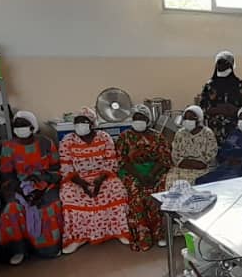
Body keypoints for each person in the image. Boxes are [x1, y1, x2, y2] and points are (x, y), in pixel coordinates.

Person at [58, 107, 130, 254]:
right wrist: (83, 185)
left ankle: (118, 230)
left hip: (103, 175)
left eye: (83, 122)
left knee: (116, 189)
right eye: (76, 122)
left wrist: (99, 181)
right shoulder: (67, 141)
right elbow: (66, 167)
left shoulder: (104, 138)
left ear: (92, 123)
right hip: (77, 178)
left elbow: (111, 163)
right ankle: (78, 237)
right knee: (69, 195)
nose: (80, 125)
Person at [0, 111, 61, 265]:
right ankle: (19, 250)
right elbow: (7, 174)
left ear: (33, 127)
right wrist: (22, 192)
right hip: (20, 186)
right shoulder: (8, 147)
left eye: (24, 126)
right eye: (17, 126)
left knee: (48, 208)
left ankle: (48, 249)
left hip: (46, 184)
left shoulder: (46, 143)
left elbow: (56, 168)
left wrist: (42, 186)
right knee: (12, 210)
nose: (20, 129)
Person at [116, 104, 172, 251]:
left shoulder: (157, 136)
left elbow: (164, 159)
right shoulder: (124, 137)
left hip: (154, 171)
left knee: (158, 193)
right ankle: (143, 236)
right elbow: (122, 161)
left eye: (142, 118)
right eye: (136, 118)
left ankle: (159, 234)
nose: (138, 121)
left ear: (148, 120)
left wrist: (152, 175)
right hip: (133, 172)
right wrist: (140, 175)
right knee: (135, 192)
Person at [196, 105, 242, 184]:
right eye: (240, 118)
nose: (241, 121)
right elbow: (224, 150)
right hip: (226, 167)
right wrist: (228, 158)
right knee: (202, 181)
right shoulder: (235, 134)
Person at [198, 50, 242, 144]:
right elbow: (202, 108)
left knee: (233, 153)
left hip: (235, 130)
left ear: (231, 66)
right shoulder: (209, 86)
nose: (221, 66)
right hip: (214, 131)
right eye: (219, 63)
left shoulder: (240, 84)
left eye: (225, 64)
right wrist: (217, 109)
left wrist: (233, 109)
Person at [164, 105, 218, 186]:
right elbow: (175, 155)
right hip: (182, 168)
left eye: (191, 118)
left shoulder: (207, 134)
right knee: (171, 182)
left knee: (197, 183)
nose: (187, 120)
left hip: (203, 169)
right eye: (185, 118)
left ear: (199, 119)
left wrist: (198, 164)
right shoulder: (180, 133)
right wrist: (185, 163)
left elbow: (211, 154)